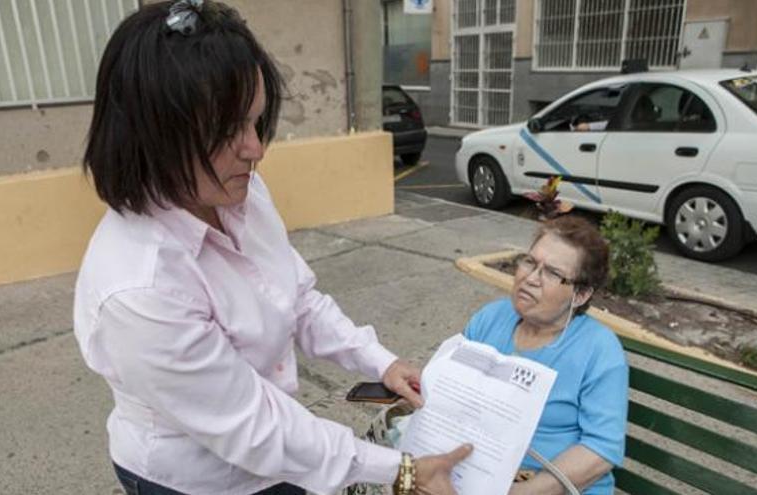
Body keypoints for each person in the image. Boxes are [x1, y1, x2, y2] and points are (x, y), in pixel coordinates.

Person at [73, 1, 471, 494]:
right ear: (152, 136)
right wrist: (402, 471)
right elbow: (253, 426)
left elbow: (298, 298)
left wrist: (378, 361)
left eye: (256, 122)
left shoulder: (241, 192)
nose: (255, 149)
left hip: (278, 453)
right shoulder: (141, 288)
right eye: (225, 131)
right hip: (196, 478)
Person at [463, 216, 628, 494]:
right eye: (530, 262)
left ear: (581, 294)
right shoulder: (490, 318)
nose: (530, 278)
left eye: (552, 273)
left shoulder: (599, 350)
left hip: (549, 486)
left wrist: (523, 492)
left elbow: (601, 449)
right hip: (479, 474)